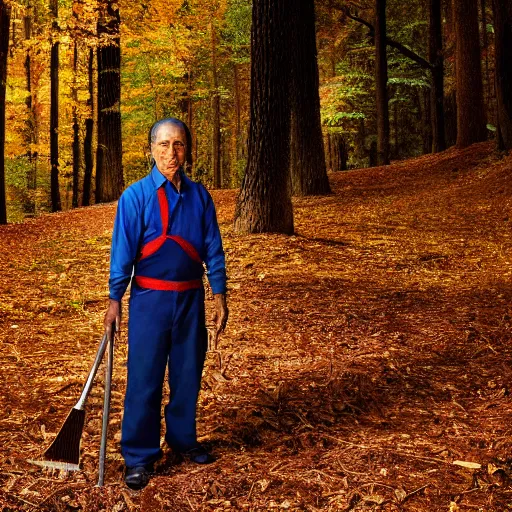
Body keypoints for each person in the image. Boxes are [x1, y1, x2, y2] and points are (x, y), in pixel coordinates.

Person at [104, 117, 228, 490]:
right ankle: (139, 456)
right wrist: (114, 299)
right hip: (149, 300)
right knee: (145, 378)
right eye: (163, 145)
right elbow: (122, 252)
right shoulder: (135, 197)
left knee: (188, 374)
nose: (171, 153)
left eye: (178, 145)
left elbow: (212, 248)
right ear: (151, 149)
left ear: (186, 149)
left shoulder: (200, 196)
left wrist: (219, 293)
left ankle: (183, 440)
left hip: (191, 297)